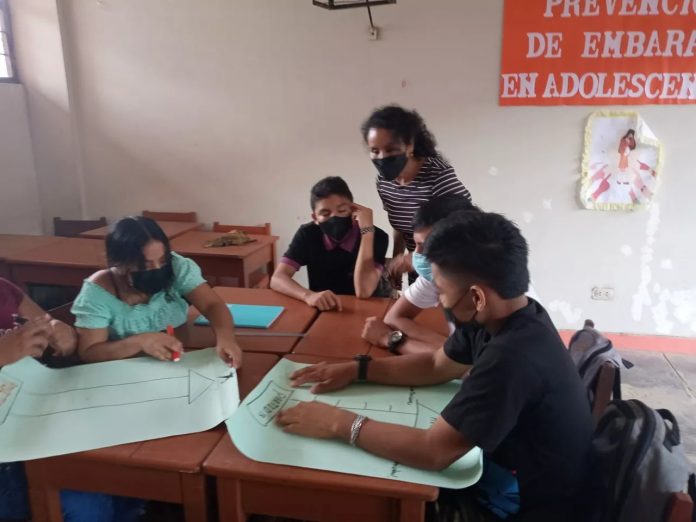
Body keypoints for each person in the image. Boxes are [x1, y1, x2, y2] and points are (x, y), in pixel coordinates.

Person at [276, 211, 593, 521]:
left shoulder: (511, 357)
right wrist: (356, 370)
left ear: (477, 297)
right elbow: (436, 364)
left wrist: (337, 423)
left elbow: (433, 451)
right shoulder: (507, 313)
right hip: (513, 466)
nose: (439, 302)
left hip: (529, 502)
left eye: (441, 292)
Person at [0, 281, 142, 522]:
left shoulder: (4, 289)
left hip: (41, 411)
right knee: (85, 504)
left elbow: (46, 324)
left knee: (131, 468)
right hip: (11, 448)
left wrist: (60, 331)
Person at [71, 216, 242, 367]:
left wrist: (226, 338)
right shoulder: (98, 292)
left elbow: (211, 305)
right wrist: (139, 342)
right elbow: (89, 352)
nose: (157, 268)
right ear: (120, 263)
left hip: (181, 358)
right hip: (126, 371)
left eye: (162, 260)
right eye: (145, 265)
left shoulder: (176, 266)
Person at [362, 105, 471, 286]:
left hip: (450, 273)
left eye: (390, 149)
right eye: (375, 151)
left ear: (409, 145)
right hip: (419, 272)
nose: (382, 157)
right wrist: (397, 259)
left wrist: (412, 258)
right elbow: (402, 226)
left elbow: (467, 231)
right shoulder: (384, 182)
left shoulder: (438, 177)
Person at [362, 195, 477, 354]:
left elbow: (471, 363)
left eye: (427, 246)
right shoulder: (437, 274)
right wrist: (449, 347)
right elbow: (394, 318)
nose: (416, 254)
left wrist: (390, 339)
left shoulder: (488, 288)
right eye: (416, 245)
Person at [271, 176, 389, 311]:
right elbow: (277, 278)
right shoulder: (308, 233)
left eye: (342, 211)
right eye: (325, 213)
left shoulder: (378, 237)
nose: (334, 217)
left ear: (352, 210)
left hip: (368, 310)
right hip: (325, 310)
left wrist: (367, 232)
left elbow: (364, 291)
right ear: (315, 218)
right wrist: (308, 296)